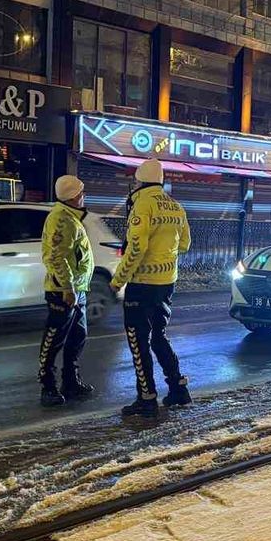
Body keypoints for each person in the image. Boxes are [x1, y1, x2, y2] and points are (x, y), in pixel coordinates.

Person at [112, 159, 192, 417]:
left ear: (140, 181)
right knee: (159, 336)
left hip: (142, 284)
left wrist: (118, 280)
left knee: (138, 341)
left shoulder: (142, 204)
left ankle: (146, 398)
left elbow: (136, 248)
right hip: (167, 283)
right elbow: (185, 245)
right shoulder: (176, 206)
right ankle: (178, 388)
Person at [37, 175, 96, 407]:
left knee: (77, 337)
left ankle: (71, 381)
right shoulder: (62, 220)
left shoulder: (71, 217)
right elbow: (56, 258)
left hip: (77, 289)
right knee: (54, 340)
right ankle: (48, 386)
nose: (84, 196)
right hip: (63, 291)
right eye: (81, 193)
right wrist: (67, 288)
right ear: (72, 196)